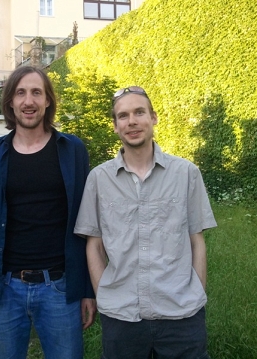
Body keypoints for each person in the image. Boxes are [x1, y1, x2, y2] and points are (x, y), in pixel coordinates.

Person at [74, 86, 218, 358]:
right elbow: (94, 245)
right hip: (122, 315)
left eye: (139, 112)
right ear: (116, 126)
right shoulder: (99, 179)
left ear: (153, 117)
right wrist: (104, 294)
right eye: (123, 116)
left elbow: (196, 240)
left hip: (181, 313)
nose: (132, 121)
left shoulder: (186, 173)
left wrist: (196, 290)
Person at [0, 65, 96, 359]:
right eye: (20, 93)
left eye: (37, 92)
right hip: (4, 289)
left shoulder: (73, 150)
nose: (29, 101)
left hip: (61, 289)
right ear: (11, 102)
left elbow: (89, 224)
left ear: (47, 100)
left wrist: (87, 289)